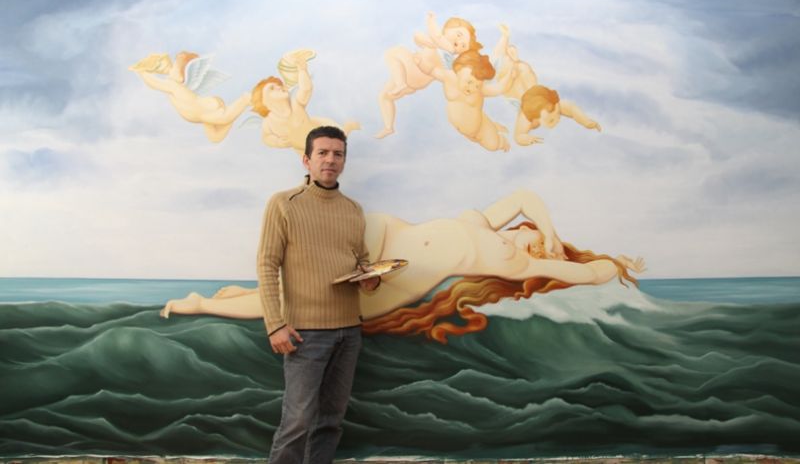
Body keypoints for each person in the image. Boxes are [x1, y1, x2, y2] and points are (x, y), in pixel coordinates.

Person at [161, 189, 645, 344]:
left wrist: (613, 264)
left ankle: (213, 302)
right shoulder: (486, 223)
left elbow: (589, 273)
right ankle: (213, 302)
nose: (540, 247)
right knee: (305, 292)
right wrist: (555, 235)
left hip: (396, 279)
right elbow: (524, 197)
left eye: (544, 251)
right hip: (384, 235)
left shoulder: (515, 262)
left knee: (301, 301)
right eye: (539, 240)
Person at [257, 125, 379, 464]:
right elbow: (267, 264)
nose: (330, 160)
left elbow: (362, 261)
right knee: (297, 422)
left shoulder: (353, 209)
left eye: (338, 154)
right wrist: (274, 324)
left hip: (349, 332)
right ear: (306, 160)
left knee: (330, 421)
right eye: (322, 153)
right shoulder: (283, 204)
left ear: (344, 161)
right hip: (304, 333)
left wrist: (371, 280)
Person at [376, 13, 484, 139]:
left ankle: (401, 83)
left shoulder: (448, 49)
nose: (459, 42)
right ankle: (388, 127)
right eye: (459, 35)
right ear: (447, 28)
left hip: (415, 72)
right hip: (411, 75)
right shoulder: (439, 45)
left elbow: (436, 35)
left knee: (394, 52)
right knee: (384, 96)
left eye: (463, 45)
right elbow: (420, 38)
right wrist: (420, 39)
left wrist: (431, 21)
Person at [492, 27, 602, 145]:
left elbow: (571, 109)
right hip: (509, 80)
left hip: (527, 82)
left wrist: (586, 122)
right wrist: (523, 138)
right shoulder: (527, 118)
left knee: (522, 71)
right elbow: (518, 135)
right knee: (498, 63)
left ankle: (511, 53)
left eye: (557, 114)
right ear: (536, 118)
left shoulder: (552, 105)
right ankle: (506, 42)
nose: (558, 118)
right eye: (551, 120)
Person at [251, 51, 360, 154]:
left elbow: (306, 89)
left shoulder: (296, 105)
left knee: (336, 140)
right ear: (263, 102)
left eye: (279, 85)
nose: (279, 87)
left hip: (319, 132)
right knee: (314, 160)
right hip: (302, 149)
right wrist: (278, 142)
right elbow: (266, 138)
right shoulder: (269, 122)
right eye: (272, 88)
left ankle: (346, 129)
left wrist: (302, 70)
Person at [130, 51, 250, 142]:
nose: (165, 69)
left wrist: (142, 72)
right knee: (215, 137)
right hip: (203, 112)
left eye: (174, 67)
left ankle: (246, 99)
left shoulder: (173, 85)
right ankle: (236, 109)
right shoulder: (173, 83)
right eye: (157, 67)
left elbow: (154, 83)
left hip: (204, 108)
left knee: (225, 117)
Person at [419, 48, 516, 151]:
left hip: (480, 129)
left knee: (493, 146)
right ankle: (492, 127)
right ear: (458, 71)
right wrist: (420, 62)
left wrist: (511, 75)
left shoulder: (481, 90)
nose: (472, 88)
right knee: (479, 138)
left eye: (477, 85)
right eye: (469, 82)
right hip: (464, 130)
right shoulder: (449, 77)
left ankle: (501, 140)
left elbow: (500, 88)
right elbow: (432, 70)